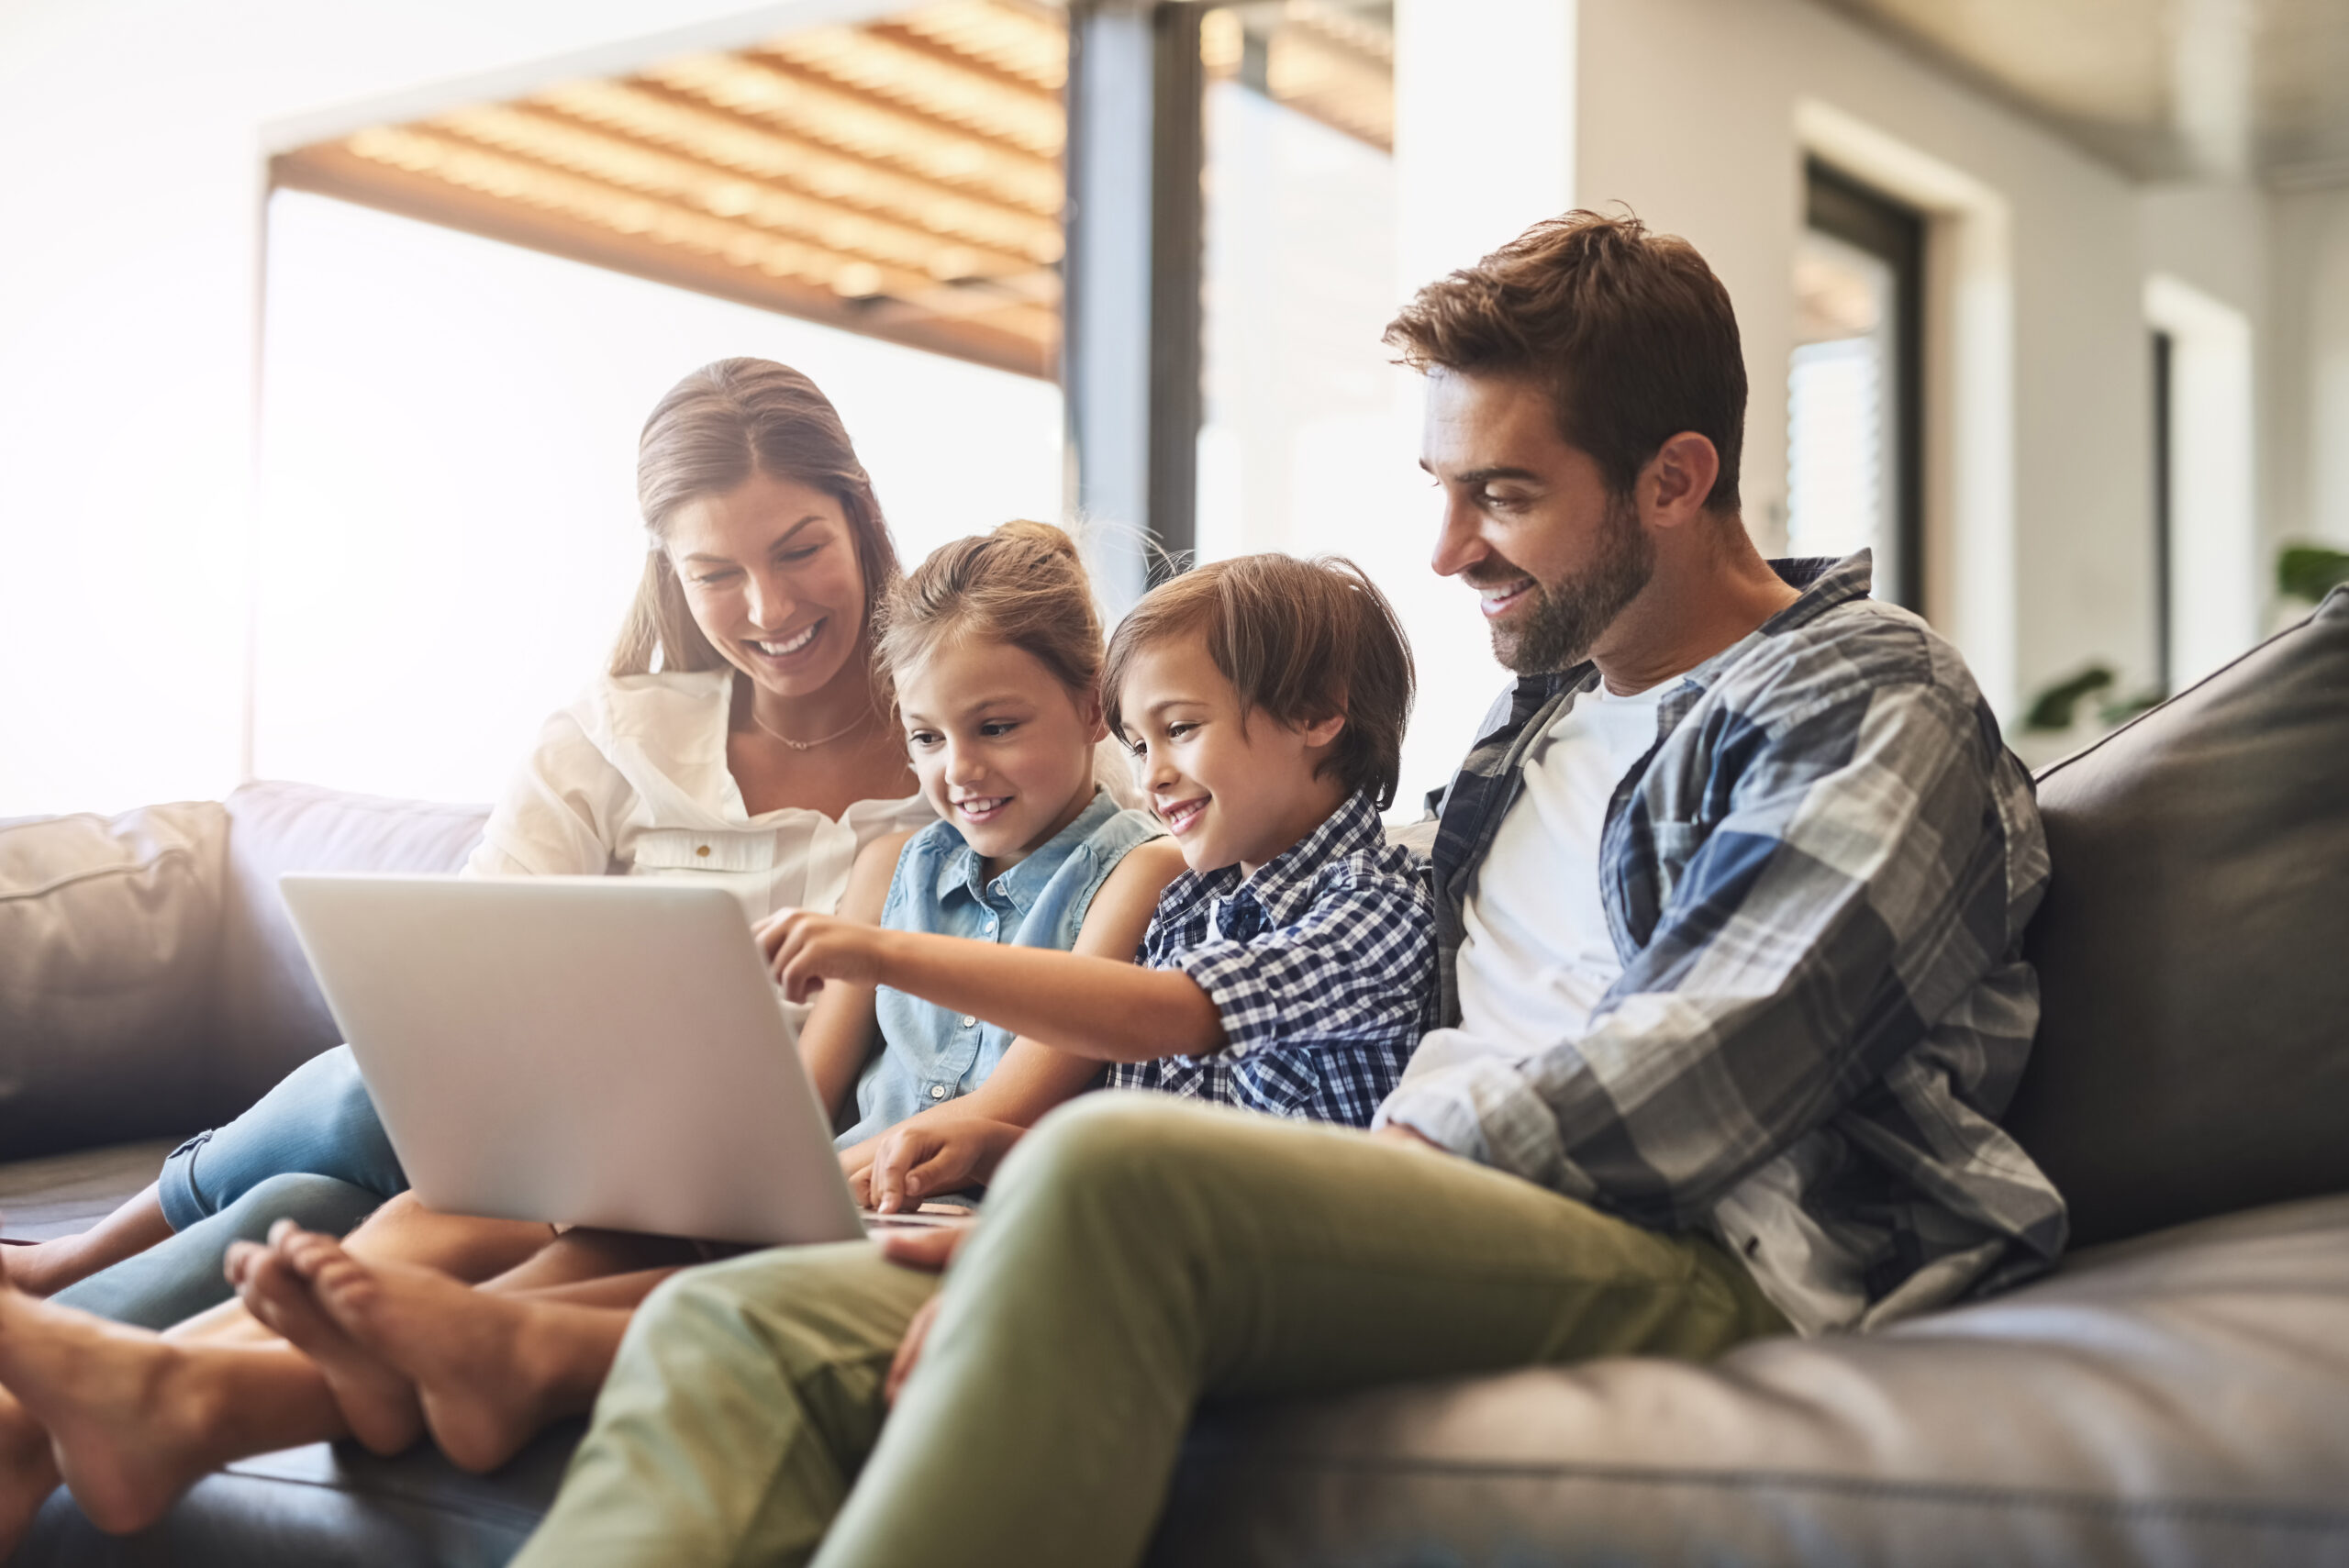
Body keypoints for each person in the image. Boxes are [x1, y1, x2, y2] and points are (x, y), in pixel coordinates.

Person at [498, 209, 2071, 1568]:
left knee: (1117, 1171)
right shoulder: (1537, 722)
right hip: (1410, 1214)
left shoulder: (1861, 693)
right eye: (1441, 486)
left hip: (1706, 1250)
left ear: (1675, 477)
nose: (1447, 548)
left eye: (1504, 496)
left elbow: (1724, 1060)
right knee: (730, 1325)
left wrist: (1317, 1180)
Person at [0, 517, 1185, 1547]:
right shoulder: (891, 858)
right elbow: (811, 1084)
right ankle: (104, 1404)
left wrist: (815, 1154)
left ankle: (195, 1393)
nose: (959, 770)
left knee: (543, 1280)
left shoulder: (1134, 870)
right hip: (813, 1179)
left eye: (997, 726)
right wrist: (689, 1153)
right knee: (461, 1206)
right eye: (927, 738)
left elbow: (1017, 1098)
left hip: (930, 1208)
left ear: (1092, 707)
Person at [210, 549, 1433, 1488]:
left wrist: (884, 958)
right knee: (502, 1205)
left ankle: (470, 1351)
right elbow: (1092, 1102)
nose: (1156, 771)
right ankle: (264, 1363)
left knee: (706, 1265)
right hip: (1038, 1194)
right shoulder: (1209, 890)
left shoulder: (1357, 899)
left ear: (1319, 714)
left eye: (1178, 732)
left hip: (1184, 1242)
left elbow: (1151, 1026)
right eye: (1145, 738)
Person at [2, 357, 939, 1330]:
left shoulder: (968, 758)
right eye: (715, 573)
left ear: (859, 514)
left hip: (770, 1161)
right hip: (556, 1125)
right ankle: (50, 1376)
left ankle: (72, 1275)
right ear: (669, 569)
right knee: (317, 1198)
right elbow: (464, 967)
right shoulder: (614, 737)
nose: (769, 608)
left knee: (359, 1144)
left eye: (799, 550)